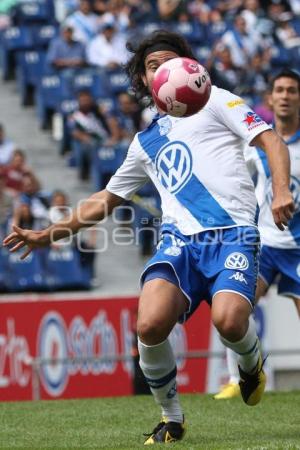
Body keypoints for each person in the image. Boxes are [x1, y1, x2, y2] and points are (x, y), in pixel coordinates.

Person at [3, 31, 294, 445]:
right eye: (152, 65)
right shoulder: (146, 142)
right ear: (142, 79)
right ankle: (171, 418)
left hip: (232, 234)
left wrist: (281, 190)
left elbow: (270, 140)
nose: (162, 69)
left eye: (170, 61)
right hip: (179, 242)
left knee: (229, 321)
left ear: (190, 69)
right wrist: (49, 234)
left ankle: (250, 363)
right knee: (150, 324)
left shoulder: (218, 101)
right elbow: (105, 199)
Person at [214, 68, 300, 400]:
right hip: (263, 244)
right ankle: (238, 378)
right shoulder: (256, 145)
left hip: (297, 247)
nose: (285, 96)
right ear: (270, 98)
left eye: (292, 90)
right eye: (279, 90)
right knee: (233, 307)